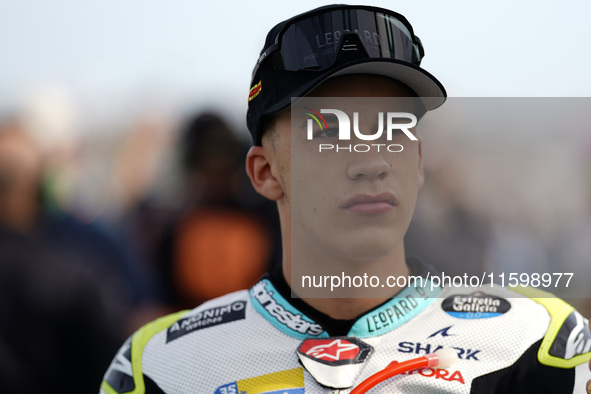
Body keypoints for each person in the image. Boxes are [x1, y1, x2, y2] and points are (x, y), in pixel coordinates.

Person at [100, 5, 591, 393]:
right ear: (265, 172)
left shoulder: (538, 345)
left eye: (393, 126)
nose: (371, 159)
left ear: (417, 162)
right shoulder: (159, 369)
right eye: (330, 128)